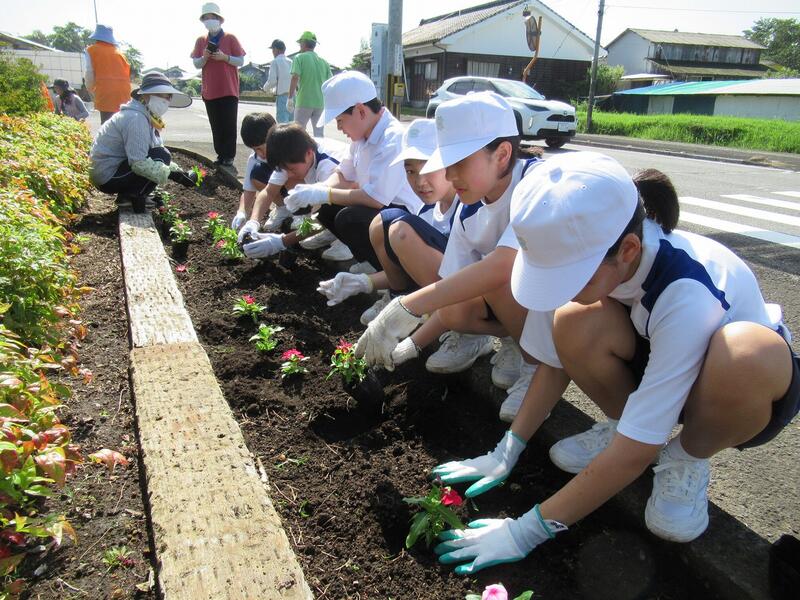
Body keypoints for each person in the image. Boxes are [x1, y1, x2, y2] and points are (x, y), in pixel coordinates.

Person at [429, 151, 799, 575]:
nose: (563, 288)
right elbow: (553, 363)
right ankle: (625, 425)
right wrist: (506, 450)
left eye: (573, 277)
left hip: (737, 389)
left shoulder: (685, 292)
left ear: (628, 249)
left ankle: (687, 456)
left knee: (747, 353)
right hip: (662, 357)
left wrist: (525, 531)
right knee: (574, 318)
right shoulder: (600, 255)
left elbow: (638, 451)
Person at [355, 91, 543, 417]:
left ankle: (536, 364)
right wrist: (410, 346)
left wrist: (406, 307)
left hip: (571, 311)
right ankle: (518, 341)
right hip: (522, 305)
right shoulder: (469, 210)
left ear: (502, 154)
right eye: (446, 165)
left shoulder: (536, 184)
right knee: (454, 306)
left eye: (459, 164)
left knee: (494, 274)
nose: (450, 176)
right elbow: (450, 286)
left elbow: (503, 265)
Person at [316, 118, 462, 342]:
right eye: (410, 171)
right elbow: (410, 269)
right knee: (382, 223)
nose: (419, 181)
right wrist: (363, 282)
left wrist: (415, 343)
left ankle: (460, 331)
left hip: (470, 299)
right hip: (447, 292)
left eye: (428, 169)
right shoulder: (427, 211)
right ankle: (406, 301)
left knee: (397, 226)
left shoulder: (467, 208)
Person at [279, 70, 423, 268]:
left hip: (403, 217)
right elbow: (342, 174)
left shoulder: (393, 139)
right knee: (328, 208)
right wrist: (318, 189)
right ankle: (372, 262)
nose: (339, 128)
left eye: (340, 120)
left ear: (361, 111)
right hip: (381, 211)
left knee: (350, 218)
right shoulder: (361, 138)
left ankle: (388, 268)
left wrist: (324, 194)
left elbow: (375, 198)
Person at [89, 73, 198, 206]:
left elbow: (150, 150)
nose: (165, 101)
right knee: (161, 155)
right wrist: (173, 175)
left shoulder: (143, 115)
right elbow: (139, 162)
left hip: (110, 173)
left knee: (160, 154)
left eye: (168, 97)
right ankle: (134, 195)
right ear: (145, 95)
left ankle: (128, 195)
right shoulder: (136, 118)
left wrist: (180, 172)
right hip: (108, 176)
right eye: (160, 95)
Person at [236, 122, 346, 254]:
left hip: (356, 206)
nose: (288, 174)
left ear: (309, 153)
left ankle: (346, 241)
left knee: (334, 213)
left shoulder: (328, 166)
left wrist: (281, 242)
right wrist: (253, 222)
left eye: (292, 169)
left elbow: (327, 212)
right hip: (331, 202)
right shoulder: (290, 155)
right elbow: (269, 192)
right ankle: (331, 231)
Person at [191, 2, 245, 169]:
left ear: (220, 19)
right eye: (206, 18)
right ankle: (220, 154)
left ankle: (229, 156)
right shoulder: (201, 41)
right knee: (216, 125)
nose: (209, 20)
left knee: (228, 124)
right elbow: (196, 64)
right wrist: (205, 57)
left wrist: (225, 57)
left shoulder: (230, 38)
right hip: (210, 91)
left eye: (212, 17)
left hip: (228, 89)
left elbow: (241, 60)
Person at [230, 113, 277, 231]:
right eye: (255, 149)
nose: (260, 154)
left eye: (261, 148)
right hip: (281, 191)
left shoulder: (290, 149)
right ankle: (283, 208)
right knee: (257, 173)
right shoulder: (255, 158)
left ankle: (300, 212)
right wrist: (242, 212)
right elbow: (249, 191)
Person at [84, 24, 131, 124]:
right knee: (122, 125)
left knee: (107, 126)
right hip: (124, 94)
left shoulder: (91, 50)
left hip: (106, 94)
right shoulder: (119, 53)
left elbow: (89, 73)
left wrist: (90, 88)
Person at [288, 31, 331, 137]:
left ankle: (300, 149)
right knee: (319, 134)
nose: (300, 46)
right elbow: (330, 83)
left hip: (304, 101)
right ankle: (319, 148)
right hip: (320, 102)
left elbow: (295, 77)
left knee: (298, 133)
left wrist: (290, 98)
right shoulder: (324, 62)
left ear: (303, 43)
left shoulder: (299, 57)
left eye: (300, 43)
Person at [263, 39, 292, 124]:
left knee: (283, 125)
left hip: (282, 96)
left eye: (273, 49)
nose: (272, 52)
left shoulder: (275, 62)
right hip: (293, 96)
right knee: (292, 124)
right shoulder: (291, 61)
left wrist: (265, 88)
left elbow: (272, 81)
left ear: (276, 49)